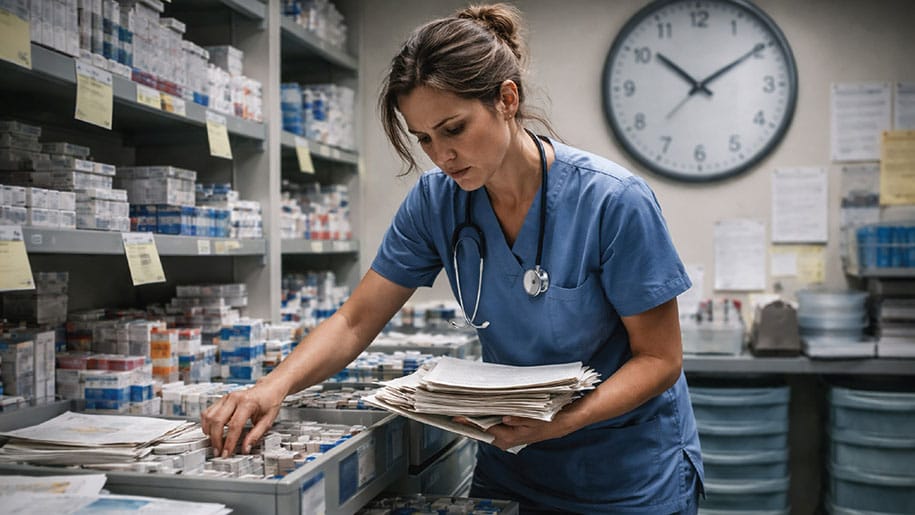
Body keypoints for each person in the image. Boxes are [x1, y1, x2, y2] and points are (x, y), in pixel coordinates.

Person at [202, 3, 703, 514]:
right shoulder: (437, 201)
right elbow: (356, 320)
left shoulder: (613, 201)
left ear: (507, 100)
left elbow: (660, 359)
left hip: (626, 472)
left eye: (454, 129)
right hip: (515, 463)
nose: (441, 155)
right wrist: (272, 387)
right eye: (423, 138)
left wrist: (563, 421)